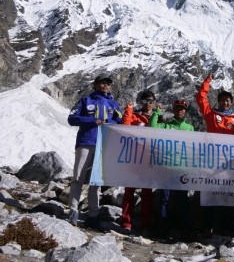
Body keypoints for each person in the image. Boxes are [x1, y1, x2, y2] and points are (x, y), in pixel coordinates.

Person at [66, 74, 123, 229]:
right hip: (86, 142)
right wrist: (92, 120)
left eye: (108, 83)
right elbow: (72, 119)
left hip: (104, 145)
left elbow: (121, 122)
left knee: (96, 181)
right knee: (78, 178)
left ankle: (93, 216)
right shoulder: (85, 100)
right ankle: (72, 212)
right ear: (95, 84)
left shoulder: (114, 105)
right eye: (103, 82)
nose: (106, 85)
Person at [195, 73, 234, 236]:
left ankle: (229, 230)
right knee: (210, 194)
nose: (225, 103)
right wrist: (207, 81)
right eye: (222, 100)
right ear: (219, 101)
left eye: (228, 101)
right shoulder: (211, 115)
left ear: (231, 103)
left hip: (230, 165)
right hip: (212, 163)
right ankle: (207, 227)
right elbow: (201, 98)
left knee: (228, 196)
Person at [149, 99, 195, 239]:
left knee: (182, 199)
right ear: (174, 110)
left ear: (185, 111)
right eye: (178, 108)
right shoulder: (166, 126)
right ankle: (163, 227)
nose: (180, 110)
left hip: (182, 169)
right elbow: (152, 127)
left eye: (183, 108)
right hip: (167, 168)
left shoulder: (190, 128)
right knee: (165, 198)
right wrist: (156, 112)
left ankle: (185, 229)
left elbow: (193, 148)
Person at [120, 90, 158, 233]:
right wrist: (129, 110)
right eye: (144, 101)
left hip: (149, 160)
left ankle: (145, 223)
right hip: (134, 159)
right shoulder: (135, 116)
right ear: (141, 102)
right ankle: (126, 222)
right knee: (129, 191)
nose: (147, 104)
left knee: (147, 193)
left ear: (154, 103)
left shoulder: (158, 118)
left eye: (150, 101)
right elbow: (124, 127)